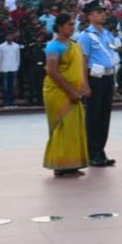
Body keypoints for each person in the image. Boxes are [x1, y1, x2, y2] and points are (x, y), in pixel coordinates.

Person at [42, 13, 90, 177]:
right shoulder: (54, 47)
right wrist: (70, 91)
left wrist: (83, 86)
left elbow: (79, 68)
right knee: (61, 128)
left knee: (73, 128)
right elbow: (52, 71)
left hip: (75, 92)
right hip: (58, 92)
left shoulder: (75, 46)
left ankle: (72, 164)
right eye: (69, 24)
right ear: (60, 27)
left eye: (73, 24)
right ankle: (59, 166)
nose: (72, 27)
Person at [79, 1, 118, 167]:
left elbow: (111, 55)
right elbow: (83, 61)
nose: (103, 14)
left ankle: (100, 150)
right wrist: (85, 84)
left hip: (108, 76)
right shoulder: (86, 36)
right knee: (93, 116)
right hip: (94, 78)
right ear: (89, 16)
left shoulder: (107, 34)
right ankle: (92, 152)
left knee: (104, 116)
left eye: (103, 12)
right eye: (98, 12)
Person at [0, 31, 21, 107]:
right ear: (6, 37)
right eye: (8, 36)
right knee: (5, 87)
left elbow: (18, 57)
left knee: (13, 87)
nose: (10, 38)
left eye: (11, 36)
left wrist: (17, 67)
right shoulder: (1, 46)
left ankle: (12, 102)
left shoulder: (16, 46)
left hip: (14, 68)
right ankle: (6, 102)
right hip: (4, 68)